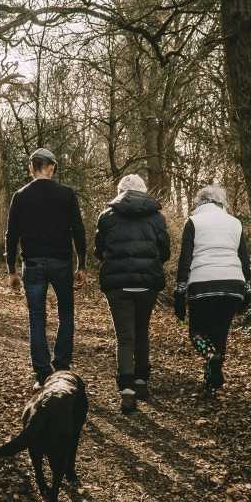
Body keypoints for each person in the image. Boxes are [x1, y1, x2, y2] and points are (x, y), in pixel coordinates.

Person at [6, 148, 88, 388]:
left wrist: (11, 270)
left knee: (37, 318)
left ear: (32, 168)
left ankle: (42, 375)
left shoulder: (20, 196)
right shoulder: (66, 194)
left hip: (32, 264)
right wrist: (81, 264)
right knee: (66, 315)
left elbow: (12, 235)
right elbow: (78, 230)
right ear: (51, 167)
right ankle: (61, 367)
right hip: (61, 262)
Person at [94, 174, 170, 413]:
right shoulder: (156, 217)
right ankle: (141, 381)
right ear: (143, 191)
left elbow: (99, 250)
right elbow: (164, 251)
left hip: (118, 284)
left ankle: (126, 390)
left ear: (120, 193)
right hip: (147, 283)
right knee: (142, 331)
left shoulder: (106, 216)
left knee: (125, 336)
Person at [173, 185, 251, 397]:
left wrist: (180, 291)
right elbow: (244, 261)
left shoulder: (193, 222)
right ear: (221, 202)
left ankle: (211, 358)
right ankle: (211, 383)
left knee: (197, 333)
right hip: (232, 285)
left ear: (200, 202)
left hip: (202, 285)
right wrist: (248, 289)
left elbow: (185, 260)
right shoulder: (235, 223)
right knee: (220, 334)